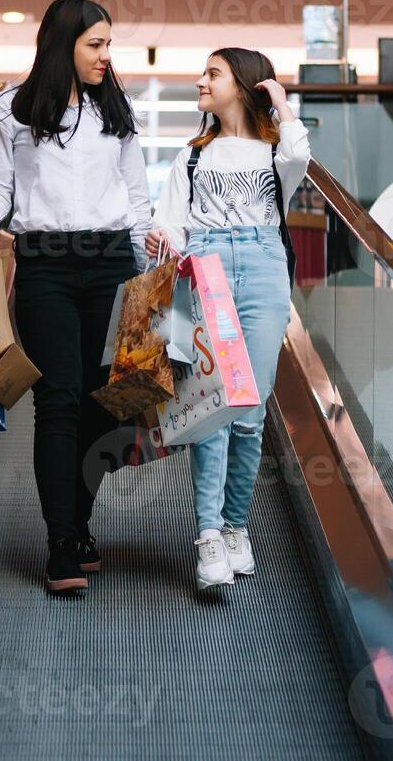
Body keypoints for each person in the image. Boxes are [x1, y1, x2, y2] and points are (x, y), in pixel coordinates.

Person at [0, 0, 152, 595]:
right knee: (59, 400)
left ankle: (79, 525)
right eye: (95, 44)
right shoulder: (11, 112)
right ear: (62, 45)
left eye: (108, 45)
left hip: (111, 262)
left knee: (108, 401)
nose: (106, 56)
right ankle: (60, 542)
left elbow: (136, 194)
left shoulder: (115, 110)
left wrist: (147, 272)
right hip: (45, 265)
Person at [145, 48, 310, 590]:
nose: (200, 81)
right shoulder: (192, 157)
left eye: (212, 73)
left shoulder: (272, 153)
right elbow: (170, 222)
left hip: (263, 273)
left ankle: (238, 526)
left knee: (251, 406)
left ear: (241, 84)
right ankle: (209, 535)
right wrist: (162, 238)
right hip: (205, 273)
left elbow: (300, 157)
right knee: (214, 404)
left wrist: (281, 103)